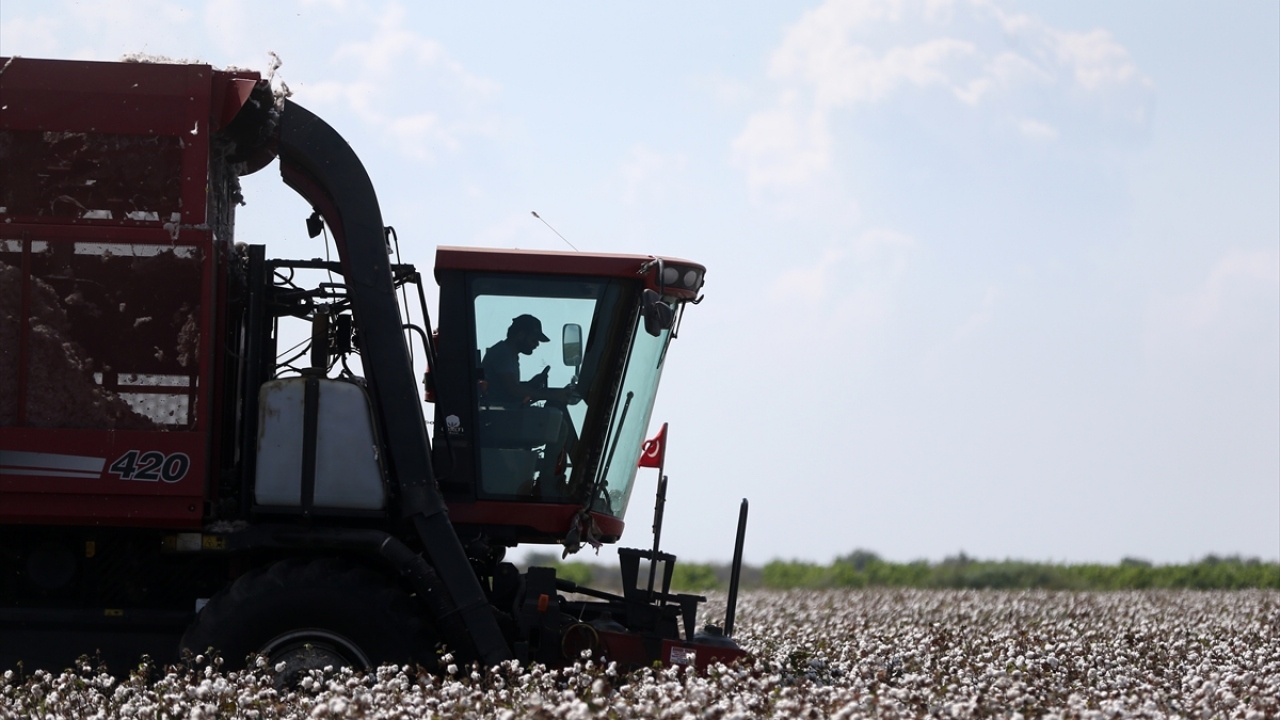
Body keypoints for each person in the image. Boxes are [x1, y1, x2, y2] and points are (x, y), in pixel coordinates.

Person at [480, 314, 575, 407]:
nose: (537, 344)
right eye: (534, 339)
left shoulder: (509, 354)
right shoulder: (503, 353)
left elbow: (508, 387)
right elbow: (513, 390)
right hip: (499, 415)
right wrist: (552, 395)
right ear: (520, 335)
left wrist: (531, 384)